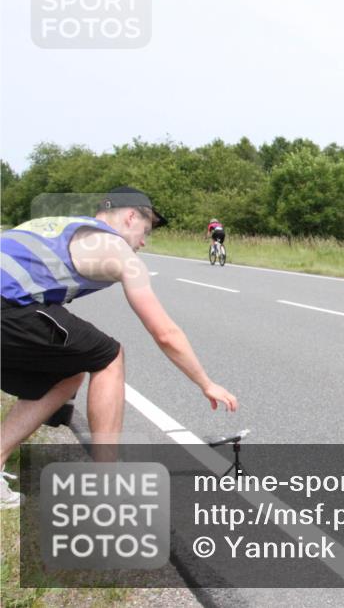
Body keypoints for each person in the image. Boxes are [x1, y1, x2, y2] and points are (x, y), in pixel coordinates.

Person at [1, 186, 239, 508]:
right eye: (146, 230)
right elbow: (165, 332)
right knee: (108, 356)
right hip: (8, 305)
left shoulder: (59, 225)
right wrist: (206, 383)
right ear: (130, 217)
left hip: (12, 305)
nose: (144, 242)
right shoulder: (118, 252)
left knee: (67, 372)